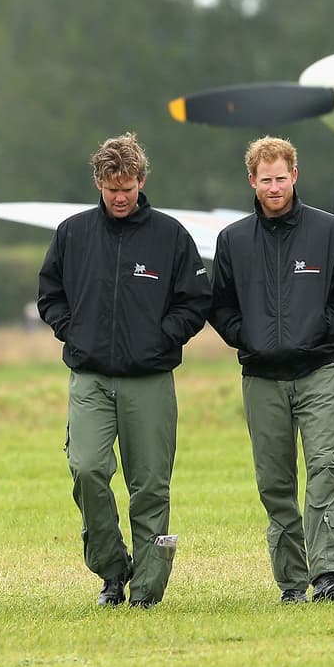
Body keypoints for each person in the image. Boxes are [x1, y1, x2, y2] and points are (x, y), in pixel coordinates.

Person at [38, 132, 211, 608]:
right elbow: (50, 294)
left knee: (150, 485)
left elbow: (195, 301)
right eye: (112, 187)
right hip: (90, 377)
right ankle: (112, 571)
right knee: (88, 468)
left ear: (141, 181)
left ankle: (148, 589)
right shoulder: (72, 234)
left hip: (150, 381)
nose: (120, 196)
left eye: (129, 186)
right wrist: (73, 333)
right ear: (98, 181)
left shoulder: (170, 236)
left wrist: (162, 338)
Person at [209, 136, 334, 604]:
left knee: (323, 468)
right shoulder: (233, 240)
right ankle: (290, 583)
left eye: (281, 178)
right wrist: (247, 336)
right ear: (252, 182)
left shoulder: (330, 231)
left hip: (318, 370)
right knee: (275, 481)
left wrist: (326, 328)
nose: (275, 187)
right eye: (266, 180)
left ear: (295, 175)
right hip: (261, 378)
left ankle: (326, 575)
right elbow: (218, 305)